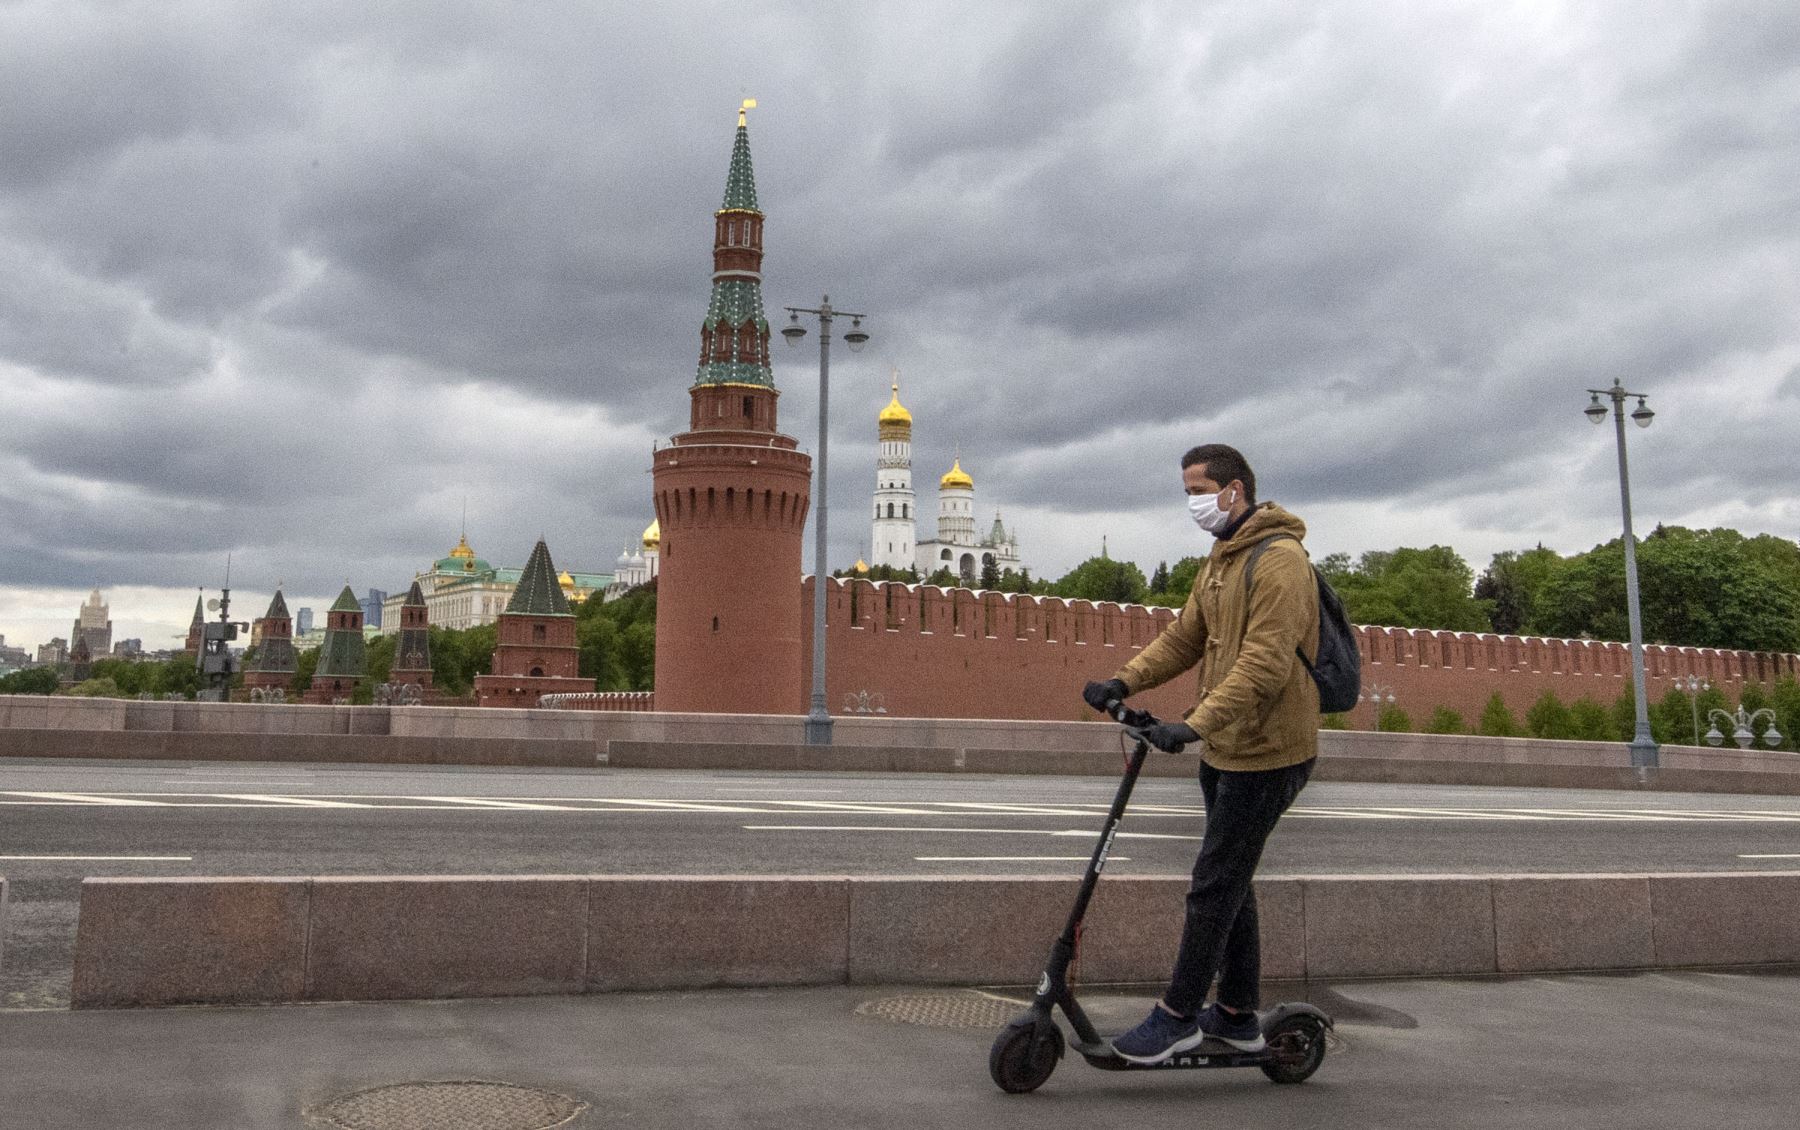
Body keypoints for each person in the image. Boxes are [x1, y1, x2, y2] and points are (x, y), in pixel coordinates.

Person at [1082, 443, 1320, 1063]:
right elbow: (1187, 636)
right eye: (1186, 489)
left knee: (1213, 885)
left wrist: (1191, 724)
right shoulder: (1222, 557)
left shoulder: (1282, 562)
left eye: (1199, 489)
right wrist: (1124, 681)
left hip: (1270, 751)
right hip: (1227, 748)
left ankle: (1179, 1016)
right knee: (1232, 881)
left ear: (1234, 490)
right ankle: (1239, 1014)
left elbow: (1265, 665)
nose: (1192, 501)